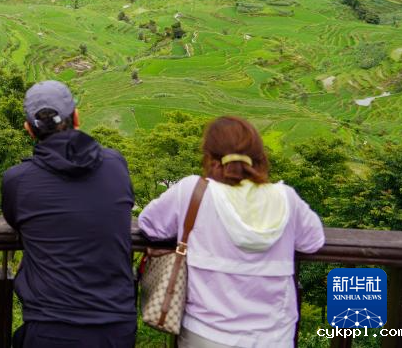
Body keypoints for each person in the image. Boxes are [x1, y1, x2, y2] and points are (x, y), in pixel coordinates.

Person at [138, 116, 325, 347]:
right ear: (258, 158)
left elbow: (149, 225)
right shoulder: (285, 198)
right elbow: (313, 241)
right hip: (274, 337)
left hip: (204, 334)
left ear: (209, 157)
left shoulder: (193, 191)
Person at [1, 80, 137, 348]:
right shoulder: (115, 164)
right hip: (116, 327)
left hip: (50, 326)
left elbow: (15, 220)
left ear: (29, 130)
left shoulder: (17, 180)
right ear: (76, 117)